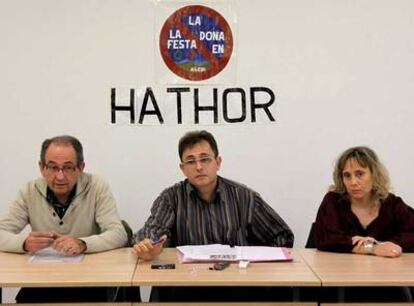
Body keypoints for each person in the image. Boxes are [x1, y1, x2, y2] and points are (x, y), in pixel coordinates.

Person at [132, 130, 294, 301]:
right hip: (188, 286)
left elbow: (282, 236)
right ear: (182, 168)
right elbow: (151, 233)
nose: (199, 167)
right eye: (191, 161)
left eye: (205, 159)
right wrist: (149, 246)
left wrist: (255, 267)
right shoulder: (171, 198)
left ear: (218, 162)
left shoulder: (244, 197)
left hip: (238, 285)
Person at [0, 135, 130, 303]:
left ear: (81, 167)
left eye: (68, 168)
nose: (60, 176)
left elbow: (118, 233)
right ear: (41, 167)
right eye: (53, 167)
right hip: (42, 280)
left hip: (90, 280)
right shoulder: (29, 191)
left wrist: (83, 243)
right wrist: (24, 244)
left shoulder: (97, 187)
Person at [311, 146, 414, 302]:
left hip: (387, 284)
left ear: (374, 174)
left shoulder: (392, 203)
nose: (353, 182)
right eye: (347, 175)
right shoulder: (333, 201)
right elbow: (326, 239)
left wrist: (390, 245)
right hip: (339, 282)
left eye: (360, 174)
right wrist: (372, 248)